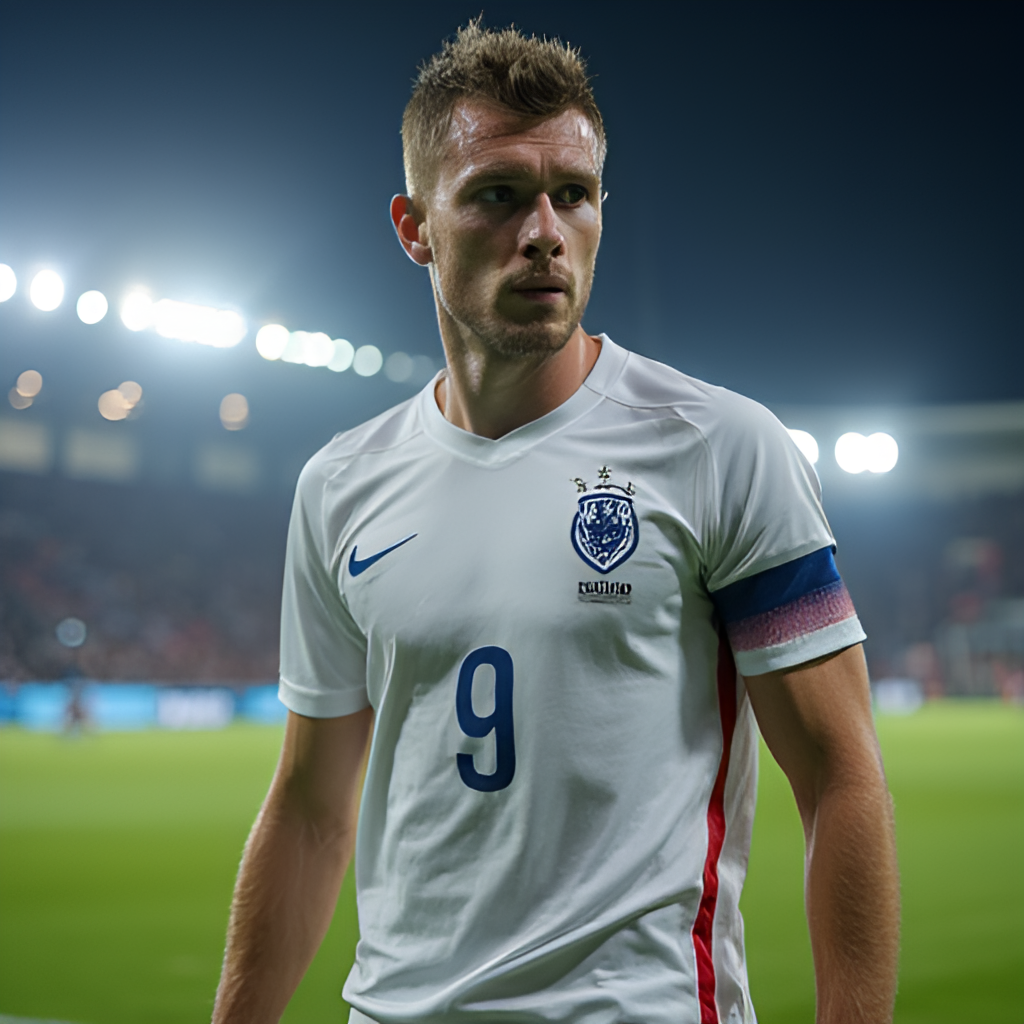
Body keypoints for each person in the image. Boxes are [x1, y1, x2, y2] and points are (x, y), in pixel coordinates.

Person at [212, 22, 899, 1024]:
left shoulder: (720, 446)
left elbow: (841, 778)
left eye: (571, 193)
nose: (544, 229)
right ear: (414, 227)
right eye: (496, 196)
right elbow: (312, 806)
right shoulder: (339, 485)